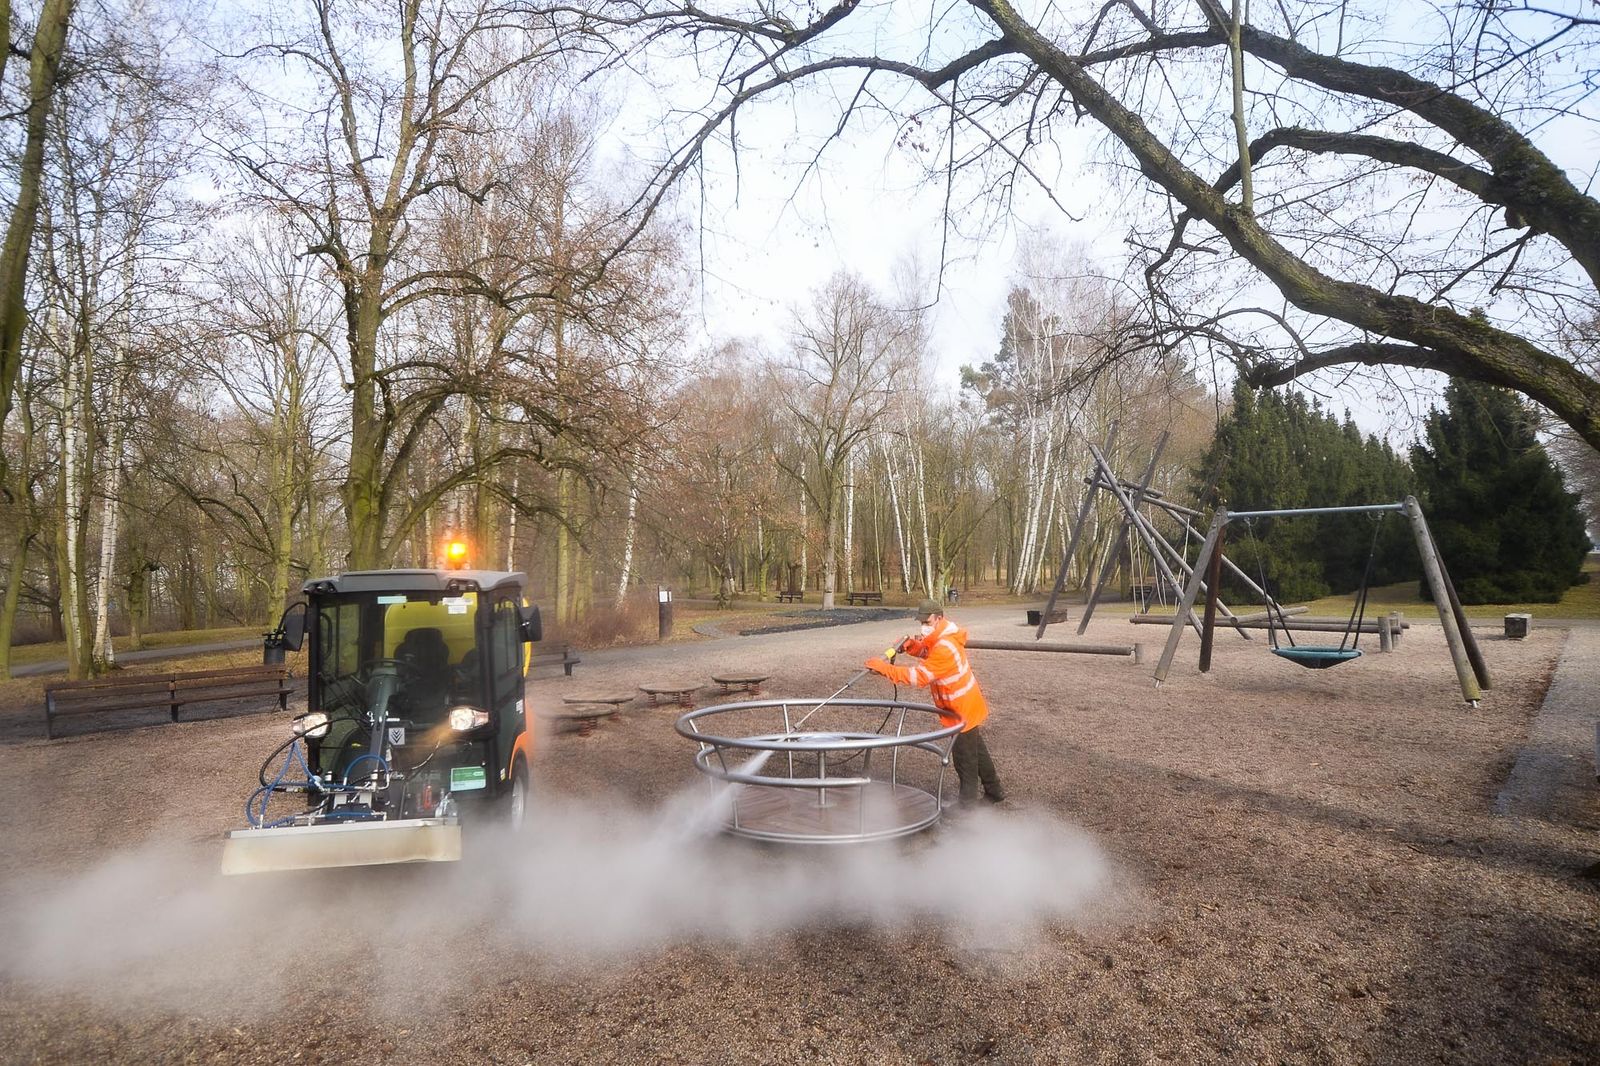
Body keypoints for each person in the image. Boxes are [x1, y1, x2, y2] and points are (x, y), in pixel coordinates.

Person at [864, 598, 1005, 805]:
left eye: (927, 623)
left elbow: (919, 677)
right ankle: (995, 791)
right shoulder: (942, 636)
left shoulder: (945, 646)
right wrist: (912, 647)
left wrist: (885, 669)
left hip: (962, 709)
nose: (923, 627)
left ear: (939, 619)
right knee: (977, 750)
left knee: (965, 759)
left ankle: (967, 810)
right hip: (965, 705)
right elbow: (928, 651)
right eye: (921, 623)